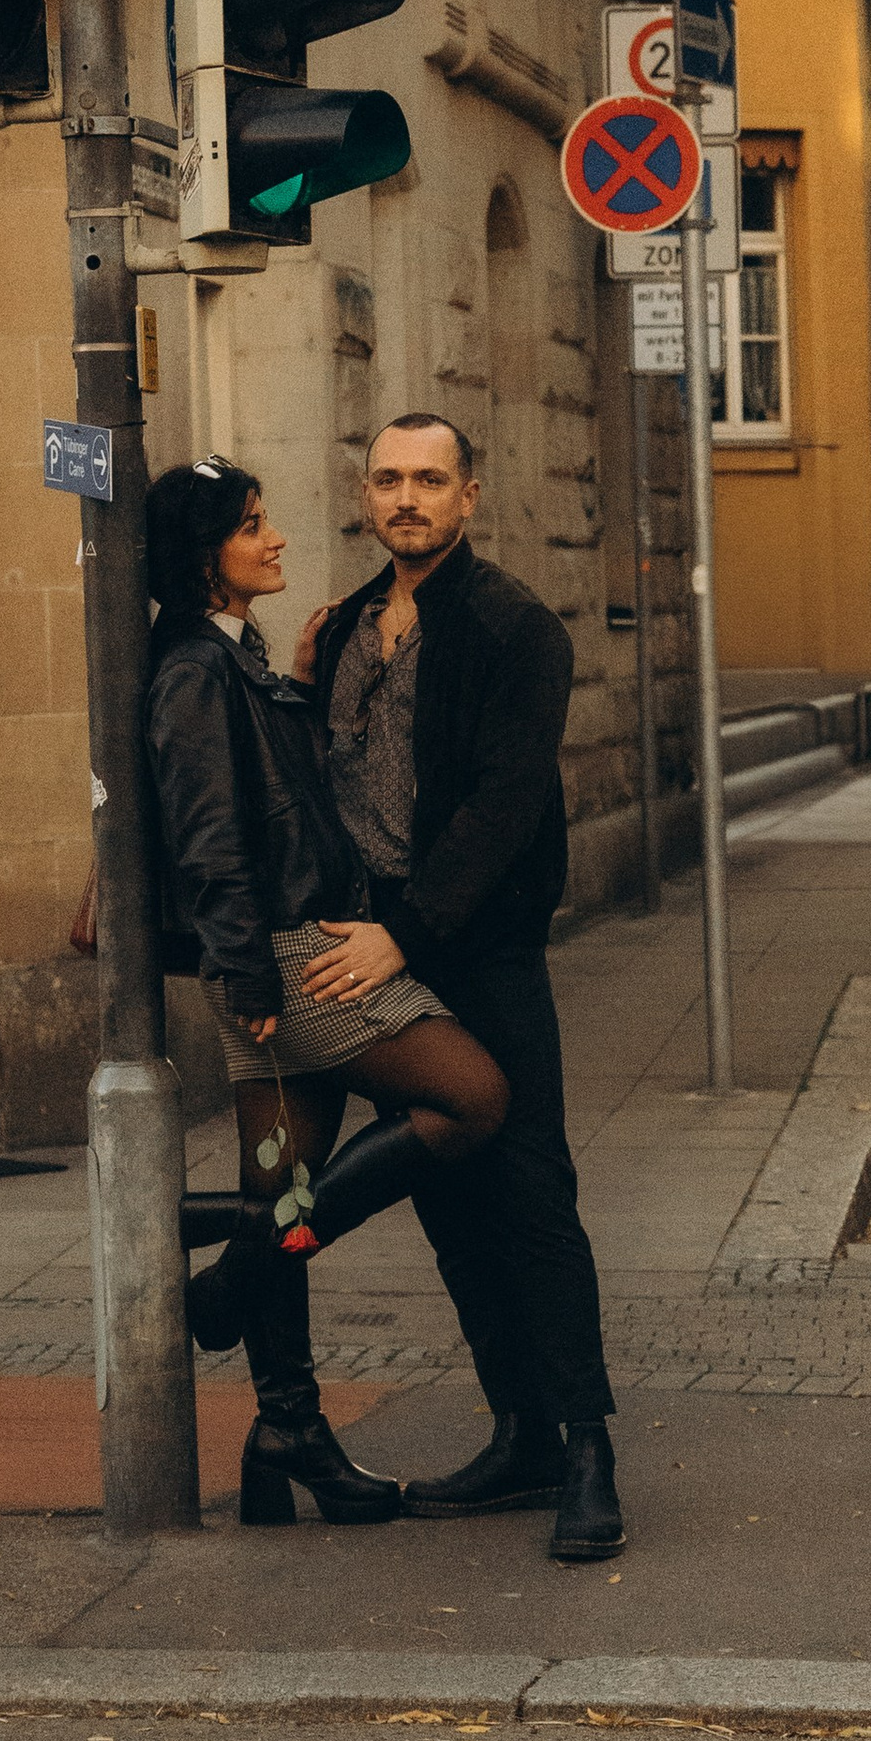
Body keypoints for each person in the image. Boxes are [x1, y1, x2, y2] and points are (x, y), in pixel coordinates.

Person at [142, 457, 508, 1528]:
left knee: (283, 1179)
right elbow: (210, 835)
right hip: (291, 960)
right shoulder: (193, 672)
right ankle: (231, 1273)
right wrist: (253, 970)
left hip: (271, 954)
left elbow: (265, 787)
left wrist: (293, 688)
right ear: (205, 551)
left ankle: (287, 1431)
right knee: (471, 1098)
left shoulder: (229, 658)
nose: (277, 541)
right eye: (253, 527)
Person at [294, 412, 624, 1561]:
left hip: (474, 950)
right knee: (450, 1205)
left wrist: (407, 932)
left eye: (429, 480)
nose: (406, 498)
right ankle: (520, 1431)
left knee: (531, 1193)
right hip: (370, 948)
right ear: (365, 490)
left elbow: (507, 800)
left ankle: (588, 1448)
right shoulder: (338, 626)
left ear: (469, 496)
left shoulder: (513, 626)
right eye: (387, 478)